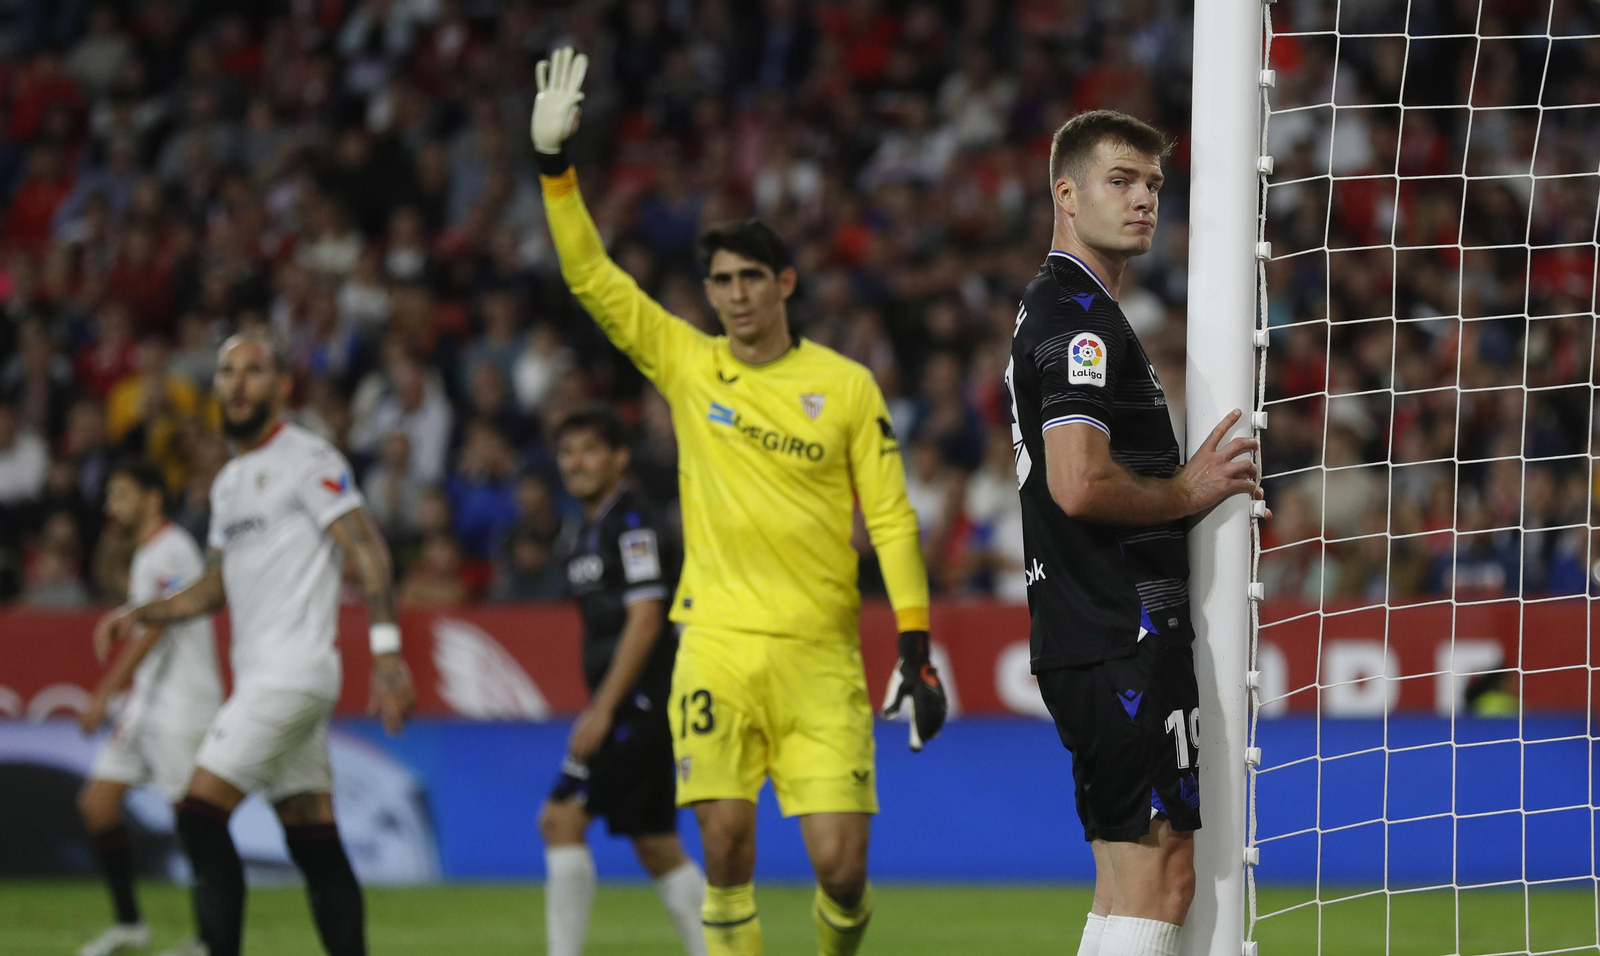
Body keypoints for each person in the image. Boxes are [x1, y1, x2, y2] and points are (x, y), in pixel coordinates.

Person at [530, 48, 948, 956]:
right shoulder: (689, 363)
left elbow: (891, 519)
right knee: (723, 842)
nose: (735, 296)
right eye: (720, 281)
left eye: (752, 278)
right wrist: (557, 174)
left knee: (841, 869)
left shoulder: (843, 387)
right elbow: (595, 282)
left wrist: (915, 645)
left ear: (785, 284)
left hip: (820, 654)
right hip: (714, 644)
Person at [1005, 110, 1268, 956]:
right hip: (1121, 627)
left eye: (1154, 183)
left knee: (1130, 884)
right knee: (1163, 878)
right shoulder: (1079, 320)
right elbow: (1076, 481)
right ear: (1067, 195)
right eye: (1122, 180)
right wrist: (1186, 488)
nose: (1146, 197)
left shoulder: (1068, 309)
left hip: (1091, 629)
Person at [93, 332, 417, 956]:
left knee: (197, 814)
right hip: (266, 678)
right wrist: (141, 610)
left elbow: (367, 550)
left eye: (254, 371)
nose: (238, 383)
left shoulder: (309, 458)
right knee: (311, 833)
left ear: (282, 386)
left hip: (292, 676)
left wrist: (386, 652)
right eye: (227, 372)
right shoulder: (229, 484)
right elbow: (211, 588)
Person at [539, 403, 708, 956]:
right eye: (566, 452)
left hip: (642, 700)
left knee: (561, 819)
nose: (576, 463)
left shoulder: (633, 523)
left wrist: (603, 708)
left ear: (620, 457)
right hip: (635, 700)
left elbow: (645, 616)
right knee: (656, 844)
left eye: (589, 450)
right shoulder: (583, 529)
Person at [76, 458, 223, 956]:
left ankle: (209, 939)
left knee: (194, 824)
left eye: (120, 493)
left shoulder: (174, 547)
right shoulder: (145, 553)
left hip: (184, 703)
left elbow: (158, 626)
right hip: (148, 704)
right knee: (97, 804)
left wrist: (103, 693)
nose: (110, 504)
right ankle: (130, 925)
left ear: (153, 497)